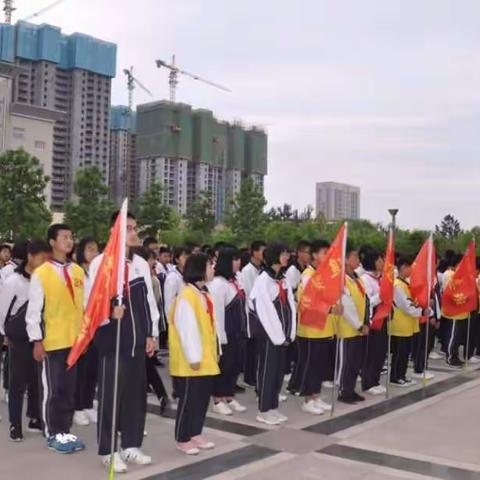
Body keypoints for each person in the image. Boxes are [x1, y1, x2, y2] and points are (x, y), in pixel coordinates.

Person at [89, 211, 159, 473]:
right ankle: (108, 450)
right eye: (128, 227)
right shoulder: (101, 264)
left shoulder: (140, 263)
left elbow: (149, 302)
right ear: (114, 231)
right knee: (111, 398)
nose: (133, 232)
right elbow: (90, 304)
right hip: (113, 342)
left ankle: (131, 444)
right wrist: (108, 312)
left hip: (138, 342)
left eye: (135, 227)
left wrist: (151, 333)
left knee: (135, 397)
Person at [26, 224, 86, 454]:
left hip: (75, 342)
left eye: (71, 237)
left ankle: (65, 431)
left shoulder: (78, 271)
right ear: (52, 242)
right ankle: (52, 433)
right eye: (64, 237)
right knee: (53, 389)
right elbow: (34, 312)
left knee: (70, 391)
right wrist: (37, 340)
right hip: (52, 342)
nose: (69, 241)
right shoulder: (42, 273)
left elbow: (86, 304)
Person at [169, 253, 219, 455]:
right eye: (209, 265)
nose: (212, 269)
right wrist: (194, 358)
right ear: (199, 269)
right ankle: (182, 437)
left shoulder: (203, 294)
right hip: (191, 361)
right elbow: (187, 330)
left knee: (201, 399)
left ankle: (195, 432)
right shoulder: (187, 296)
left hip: (205, 359)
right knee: (189, 400)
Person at [0, 240, 49, 442]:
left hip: (38, 336)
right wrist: (5, 334)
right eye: (42, 258)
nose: (45, 262)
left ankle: (35, 418)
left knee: (37, 380)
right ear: (30, 256)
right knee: (17, 383)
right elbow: (3, 309)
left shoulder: (45, 280)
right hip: (18, 338)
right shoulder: (13, 281)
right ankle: (15, 424)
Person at [250, 242, 296, 426]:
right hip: (269, 336)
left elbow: (291, 306)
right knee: (267, 372)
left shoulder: (282, 279)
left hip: (282, 336)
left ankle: (273, 406)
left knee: (278, 373)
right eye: (283, 254)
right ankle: (263, 409)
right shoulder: (263, 280)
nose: (286, 257)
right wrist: (277, 335)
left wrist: (290, 333)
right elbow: (264, 310)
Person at [288, 239, 335, 415]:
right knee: (310, 364)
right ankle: (307, 399)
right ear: (314, 255)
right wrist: (330, 308)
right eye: (324, 253)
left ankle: (316, 396)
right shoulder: (308, 275)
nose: (327, 256)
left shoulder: (324, 274)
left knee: (320, 365)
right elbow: (308, 301)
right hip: (310, 328)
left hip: (324, 327)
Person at [209, 247, 248, 416]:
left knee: (234, 366)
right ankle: (217, 399)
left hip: (237, 332)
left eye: (238, 259)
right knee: (224, 367)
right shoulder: (218, 284)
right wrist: (221, 337)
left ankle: (229, 395)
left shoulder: (234, 281)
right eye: (235, 259)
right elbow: (217, 313)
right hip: (226, 333)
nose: (238, 262)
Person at [336, 245, 370, 404]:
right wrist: (358, 324)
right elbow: (346, 305)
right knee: (346, 362)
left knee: (356, 362)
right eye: (354, 257)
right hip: (348, 327)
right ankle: (344, 391)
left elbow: (366, 300)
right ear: (345, 260)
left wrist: (366, 322)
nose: (357, 260)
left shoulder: (357, 278)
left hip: (360, 327)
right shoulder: (341, 279)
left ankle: (350, 389)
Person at [390, 257, 428, 387]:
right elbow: (405, 306)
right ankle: (395, 377)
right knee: (399, 353)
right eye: (409, 267)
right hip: (400, 325)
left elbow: (411, 303)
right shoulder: (397, 285)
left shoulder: (405, 284)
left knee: (405, 353)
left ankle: (402, 375)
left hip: (408, 325)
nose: (411, 270)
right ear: (403, 268)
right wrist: (421, 312)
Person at [360, 248, 388, 395]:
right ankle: (368, 382)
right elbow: (366, 302)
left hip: (383, 318)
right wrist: (381, 296)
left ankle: (375, 380)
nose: (382, 263)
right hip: (373, 318)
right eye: (379, 260)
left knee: (381, 351)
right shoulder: (365, 279)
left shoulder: (381, 278)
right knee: (371, 352)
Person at [240, 241, 266, 388]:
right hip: (251, 313)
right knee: (251, 347)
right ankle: (249, 377)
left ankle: (253, 375)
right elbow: (250, 294)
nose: (264, 254)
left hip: (260, 313)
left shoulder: (260, 269)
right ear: (254, 252)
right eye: (262, 251)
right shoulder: (247, 271)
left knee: (256, 347)